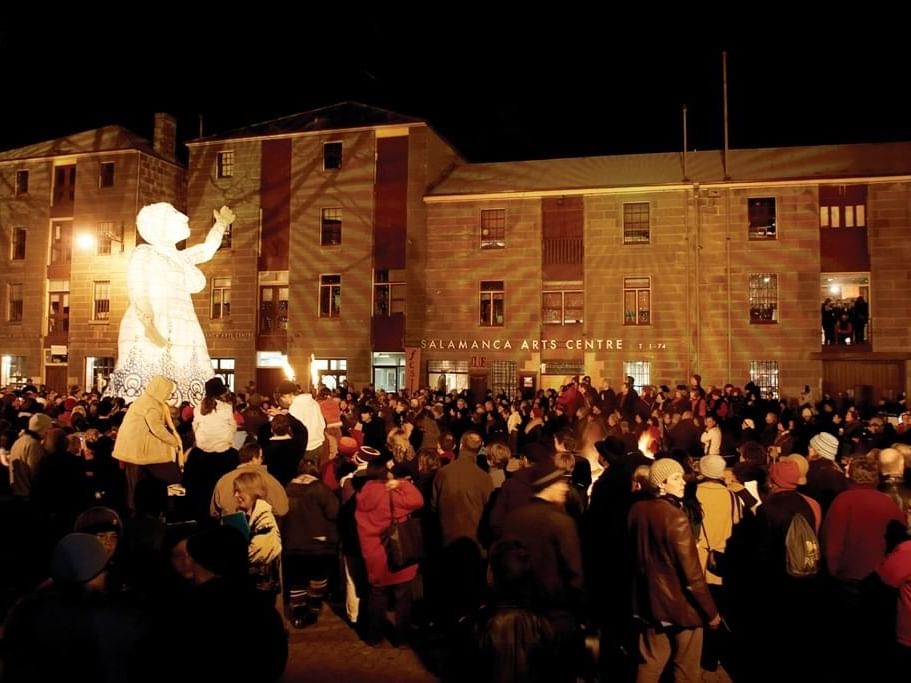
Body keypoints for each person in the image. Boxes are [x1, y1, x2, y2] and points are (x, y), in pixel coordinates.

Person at [106, 203, 235, 405]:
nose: (184, 217)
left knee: (187, 365)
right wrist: (148, 321)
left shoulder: (180, 258)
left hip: (184, 322)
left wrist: (221, 224)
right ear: (159, 225)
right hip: (158, 318)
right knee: (153, 364)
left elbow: (206, 251)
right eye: (174, 214)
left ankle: (188, 404)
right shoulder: (145, 252)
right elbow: (137, 285)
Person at [628, 457, 720, 683]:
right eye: (675, 478)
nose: (683, 483)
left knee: (649, 663)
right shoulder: (676, 518)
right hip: (681, 608)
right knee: (686, 670)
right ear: (661, 484)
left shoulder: (637, 509)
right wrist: (711, 613)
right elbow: (692, 576)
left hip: (649, 603)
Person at [111, 374, 182, 510]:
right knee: (172, 476)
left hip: (134, 450)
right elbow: (157, 428)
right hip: (141, 452)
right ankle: (172, 506)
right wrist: (173, 441)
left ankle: (137, 510)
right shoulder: (151, 405)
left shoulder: (143, 401)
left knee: (135, 485)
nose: (168, 395)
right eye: (167, 392)